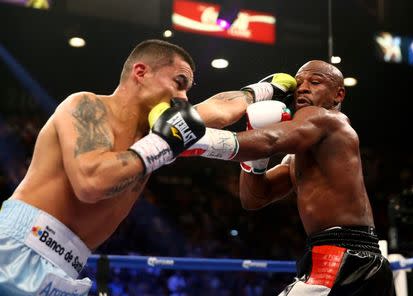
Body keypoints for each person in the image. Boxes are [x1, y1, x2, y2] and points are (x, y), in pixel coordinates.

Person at [0, 39, 296, 295]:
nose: (183, 99)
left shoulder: (157, 132)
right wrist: (163, 145)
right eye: (179, 83)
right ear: (141, 72)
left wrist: (264, 89)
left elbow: (219, 109)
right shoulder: (86, 106)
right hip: (14, 249)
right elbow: (91, 183)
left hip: (64, 269)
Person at [183, 60, 396, 295]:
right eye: (299, 84)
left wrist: (191, 138)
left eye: (315, 82)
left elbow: (270, 141)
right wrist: (256, 150)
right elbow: (254, 198)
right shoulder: (296, 158)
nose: (303, 88)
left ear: (339, 95)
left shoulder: (330, 120)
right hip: (344, 257)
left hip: (345, 257)